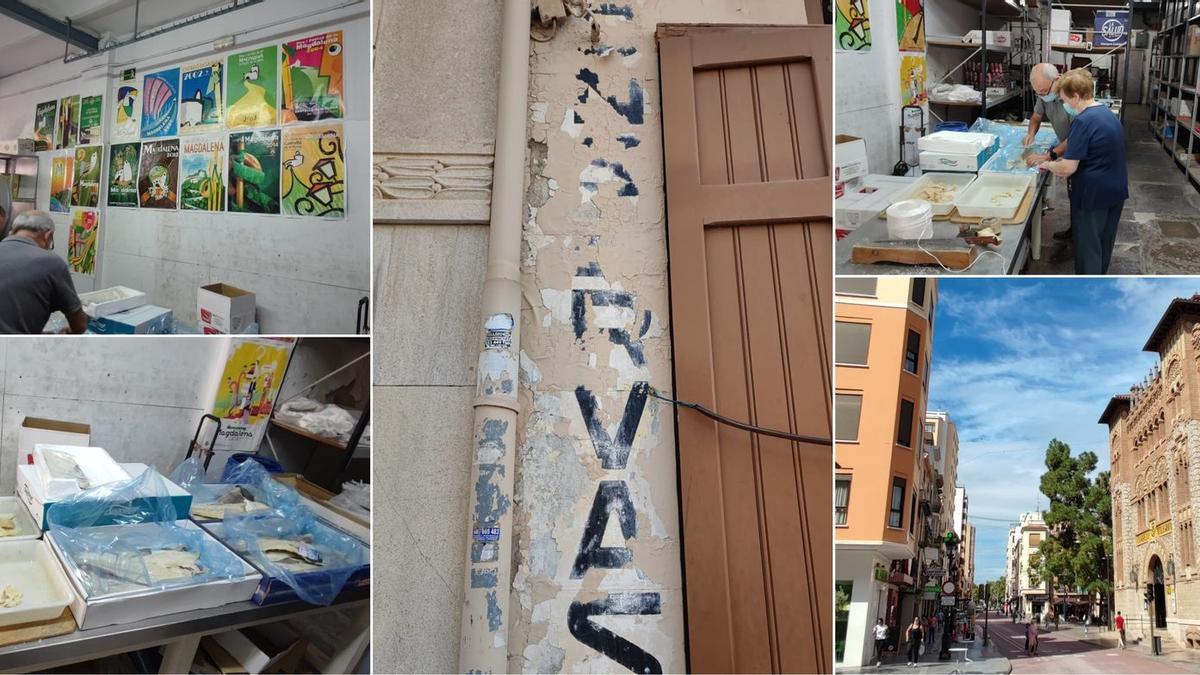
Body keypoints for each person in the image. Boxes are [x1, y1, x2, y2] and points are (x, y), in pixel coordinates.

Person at [1038, 68, 1129, 275]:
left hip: (1093, 196)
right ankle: (1099, 278)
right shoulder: (1106, 113)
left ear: (1076, 96)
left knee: (1088, 249)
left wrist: (1047, 164)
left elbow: (1068, 167)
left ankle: (1089, 286)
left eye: (1064, 100)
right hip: (1115, 191)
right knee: (1104, 243)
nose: (1064, 104)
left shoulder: (1082, 121)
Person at [1023, 63, 1077, 262]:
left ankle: (1076, 245)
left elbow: (1076, 137)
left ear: (1058, 79)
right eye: (1038, 92)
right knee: (1074, 196)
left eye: (1044, 91)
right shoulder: (1045, 94)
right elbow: (1036, 116)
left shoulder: (1071, 97)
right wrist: (1030, 133)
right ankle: (1073, 232)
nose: (1042, 95)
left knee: (1081, 199)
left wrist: (1049, 156)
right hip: (1066, 150)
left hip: (1078, 152)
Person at [0, 210, 86, 334]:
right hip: (15, 350)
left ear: (12, 231)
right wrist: (67, 333)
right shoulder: (51, 262)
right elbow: (79, 324)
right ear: (48, 235)